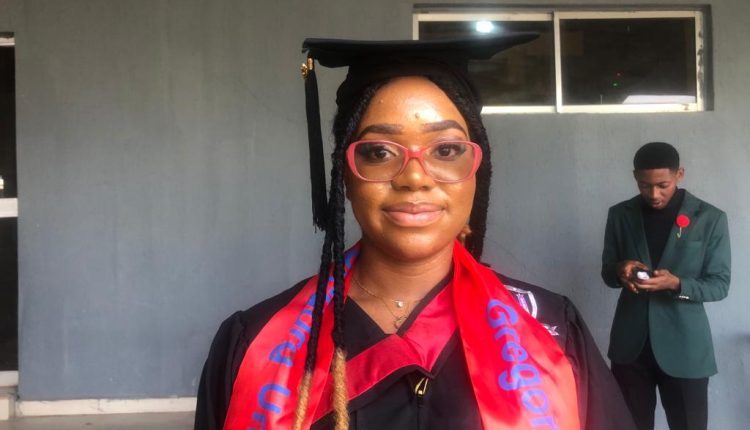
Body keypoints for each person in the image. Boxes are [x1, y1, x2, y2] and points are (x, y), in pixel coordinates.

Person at [195, 35, 634, 430]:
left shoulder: (550, 330)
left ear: (476, 173)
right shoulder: (255, 341)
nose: (415, 178)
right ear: (344, 175)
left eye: (447, 149)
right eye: (378, 152)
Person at [601, 142, 731, 430]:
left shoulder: (710, 218)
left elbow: (719, 285)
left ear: (679, 174)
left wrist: (677, 284)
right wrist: (620, 270)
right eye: (644, 185)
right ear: (635, 177)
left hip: (685, 348)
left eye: (663, 185)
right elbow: (607, 273)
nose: (654, 194)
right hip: (630, 348)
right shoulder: (620, 214)